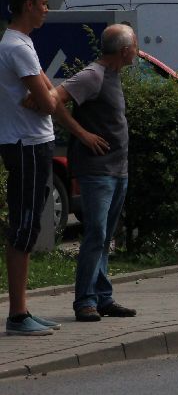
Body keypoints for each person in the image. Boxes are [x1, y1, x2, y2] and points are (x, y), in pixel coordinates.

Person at [47, 25, 139, 321]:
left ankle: (102, 296)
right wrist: (82, 134)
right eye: (135, 45)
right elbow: (54, 99)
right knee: (96, 233)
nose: (137, 50)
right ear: (124, 50)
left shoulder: (112, 75)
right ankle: (85, 300)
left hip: (117, 168)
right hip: (97, 171)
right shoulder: (93, 75)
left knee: (105, 234)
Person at [0, 0, 61, 336]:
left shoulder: (22, 43)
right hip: (26, 144)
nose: (46, 9)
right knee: (24, 226)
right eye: (42, 2)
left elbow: (48, 93)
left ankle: (22, 310)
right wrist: (43, 97)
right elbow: (51, 99)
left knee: (30, 225)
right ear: (27, 6)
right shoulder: (16, 47)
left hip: (33, 141)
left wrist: (43, 96)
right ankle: (17, 313)